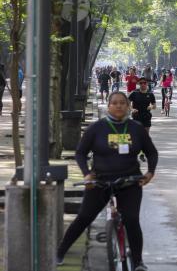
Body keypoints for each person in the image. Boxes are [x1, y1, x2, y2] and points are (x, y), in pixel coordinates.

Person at [56, 91, 158, 271]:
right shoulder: (96, 128)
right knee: (85, 217)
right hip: (100, 181)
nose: (119, 106)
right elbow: (80, 153)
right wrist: (87, 173)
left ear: (128, 106)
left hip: (130, 181)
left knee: (132, 219)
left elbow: (151, 152)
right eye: (115, 103)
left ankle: (138, 262)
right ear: (109, 106)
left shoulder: (137, 128)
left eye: (122, 103)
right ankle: (60, 252)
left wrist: (150, 173)